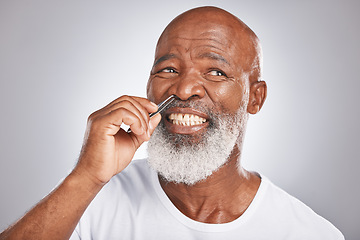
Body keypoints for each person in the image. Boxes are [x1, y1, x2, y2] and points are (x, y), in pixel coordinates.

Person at [0, 6, 344, 240]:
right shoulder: (91, 201)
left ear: (255, 98)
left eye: (215, 71)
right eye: (168, 69)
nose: (183, 89)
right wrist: (86, 176)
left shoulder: (309, 232)